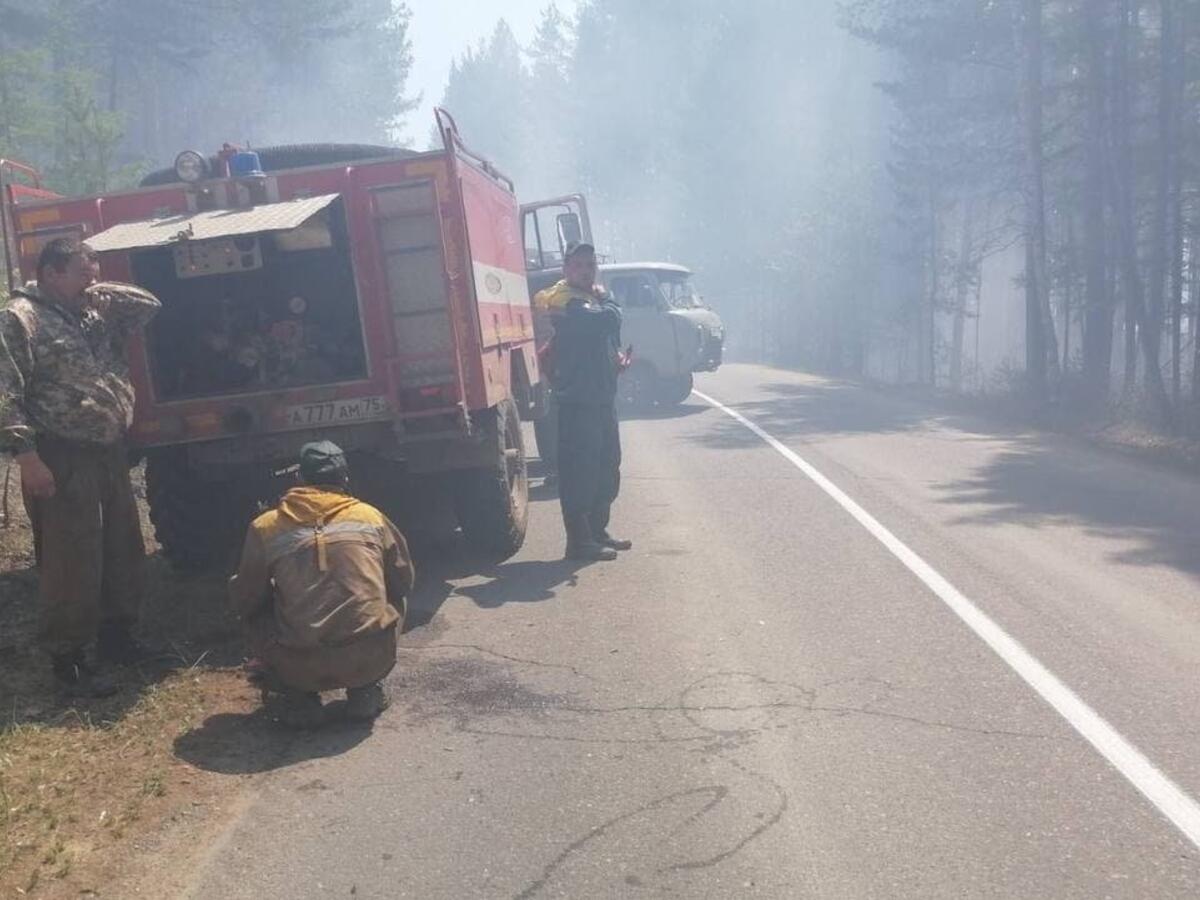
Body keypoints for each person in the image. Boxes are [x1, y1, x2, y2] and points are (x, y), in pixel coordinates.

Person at [0, 238, 161, 697]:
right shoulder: (19, 318)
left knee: (121, 545)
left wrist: (97, 288)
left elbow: (149, 306)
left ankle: (118, 637)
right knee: (72, 555)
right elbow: (5, 392)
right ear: (50, 272)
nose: (91, 279)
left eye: (94, 270)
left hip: (107, 450)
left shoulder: (91, 311)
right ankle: (68, 656)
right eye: (82, 271)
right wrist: (27, 458)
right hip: (60, 453)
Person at [229, 441, 414, 727]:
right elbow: (404, 581)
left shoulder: (265, 527)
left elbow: (247, 599)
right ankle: (365, 689)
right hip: (368, 659)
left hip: (298, 664)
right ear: (345, 480)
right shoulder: (370, 516)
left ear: (300, 480)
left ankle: (299, 697)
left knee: (249, 603)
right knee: (396, 594)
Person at [548, 242, 632, 562]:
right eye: (579, 265)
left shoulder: (590, 300)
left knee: (607, 466)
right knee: (580, 471)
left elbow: (606, 335)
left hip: (600, 397)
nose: (587, 271)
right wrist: (607, 299)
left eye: (591, 265)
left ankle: (598, 531)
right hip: (577, 401)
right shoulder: (567, 301)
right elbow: (607, 320)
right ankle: (579, 541)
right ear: (566, 269)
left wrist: (616, 359)